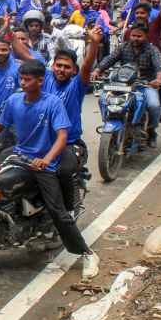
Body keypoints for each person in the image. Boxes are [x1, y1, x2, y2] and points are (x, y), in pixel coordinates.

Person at [0, 60, 100, 280]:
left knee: (58, 212)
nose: (23, 83)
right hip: (18, 153)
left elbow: (63, 137)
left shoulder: (52, 103)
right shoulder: (15, 100)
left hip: (44, 163)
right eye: (21, 79)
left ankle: (87, 253)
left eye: (27, 80)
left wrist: (46, 160)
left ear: (40, 81)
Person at [44, 28, 101, 211]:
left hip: (70, 144)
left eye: (66, 67)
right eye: (58, 65)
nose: (61, 69)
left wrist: (94, 44)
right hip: (42, 140)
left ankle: (68, 210)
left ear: (73, 70)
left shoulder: (76, 85)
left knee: (63, 171)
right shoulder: (45, 78)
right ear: (52, 66)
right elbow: (26, 56)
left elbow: (87, 66)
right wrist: (11, 36)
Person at [94, 21, 161, 146]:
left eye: (139, 36)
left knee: (154, 105)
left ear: (145, 36)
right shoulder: (123, 47)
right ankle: (108, 120)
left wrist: (158, 79)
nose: (135, 38)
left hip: (144, 84)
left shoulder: (152, 49)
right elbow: (110, 59)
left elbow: (159, 65)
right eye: (133, 35)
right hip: (123, 84)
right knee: (103, 99)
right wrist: (97, 70)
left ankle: (151, 131)